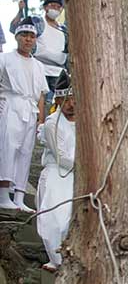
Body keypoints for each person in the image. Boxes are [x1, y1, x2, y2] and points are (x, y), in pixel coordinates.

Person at [0, 17, 49, 211]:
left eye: (31, 36)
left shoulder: (39, 66)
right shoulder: (5, 59)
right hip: (11, 105)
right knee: (8, 148)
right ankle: (4, 195)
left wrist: (41, 119)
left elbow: (42, 95)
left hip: (30, 109)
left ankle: (19, 196)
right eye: (24, 35)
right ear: (17, 37)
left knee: (26, 151)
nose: (28, 40)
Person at [36, 69, 75, 270]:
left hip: (77, 176)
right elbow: (61, 156)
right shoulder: (52, 123)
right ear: (58, 101)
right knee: (53, 218)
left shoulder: (82, 122)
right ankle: (55, 258)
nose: (71, 104)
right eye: (66, 100)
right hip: (57, 173)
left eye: (73, 99)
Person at [11, 0, 67, 92]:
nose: (56, 9)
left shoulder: (64, 29)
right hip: (40, 70)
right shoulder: (37, 22)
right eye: (53, 6)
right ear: (45, 7)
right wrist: (20, 11)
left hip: (58, 73)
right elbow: (14, 28)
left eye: (58, 7)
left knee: (56, 106)